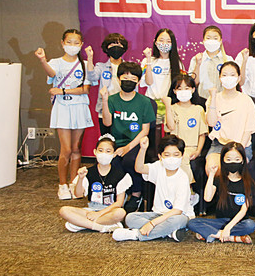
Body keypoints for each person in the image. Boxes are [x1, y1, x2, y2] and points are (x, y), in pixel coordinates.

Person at [34, 29, 94, 199]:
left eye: (76, 43)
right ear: (62, 43)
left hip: (80, 107)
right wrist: (42, 60)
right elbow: (52, 74)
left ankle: (74, 183)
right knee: (66, 149)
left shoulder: (84, 64)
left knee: (76, 148)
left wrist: (63, 91)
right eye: (69, 42)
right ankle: (62, 185)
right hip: (62, 108)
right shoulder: (56, 62)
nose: (72, 46)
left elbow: (86, 89)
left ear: (81, 44)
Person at [112, 135, 195, 242]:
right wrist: (143, 149)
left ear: (182, 156)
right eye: (167, 155)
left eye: (176, 155)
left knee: (178, 221)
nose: (171, 158)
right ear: (160, 156)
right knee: (130, 218)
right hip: (158, 214)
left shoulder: (183, 177)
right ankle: (168, 232)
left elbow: (177, 211)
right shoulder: (158, 167)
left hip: (178, 215)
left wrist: (152, 224)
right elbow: (139, 168)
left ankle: (136, 234)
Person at [101, 61, 156, 212]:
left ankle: (136, 194)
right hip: (116, 142)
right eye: (125, 78)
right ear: (118, 79)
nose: (128, 82)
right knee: (112, 161)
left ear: (138, 81)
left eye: (133, 79)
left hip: (135, 142)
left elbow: (145, 130)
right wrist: (104, 100)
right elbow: (107, 122)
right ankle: (121, 194)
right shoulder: (112, 100)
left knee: (130, 161)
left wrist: (127, 147)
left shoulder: (144, 102)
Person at [187, 142, 255, 243]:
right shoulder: (219, 179)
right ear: (223, 160)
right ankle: (231, 237)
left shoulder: (247, 182)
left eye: (237, 159)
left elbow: (243, 210)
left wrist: (228, 228)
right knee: (192, 223)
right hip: (220, 221)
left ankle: (214, 234)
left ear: (243, 161)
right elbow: (207, 198)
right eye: (228, 159)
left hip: (238, 222)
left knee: (250, 225)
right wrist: (211, 175)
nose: (233, 162)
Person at [58, 135, 130, 233]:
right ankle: (101, 227)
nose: (104, 154)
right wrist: (81, 178)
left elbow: (119, 203)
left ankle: (82, 224)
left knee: (120, 213)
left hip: (109, 211)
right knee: (64, 210)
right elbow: (78, 195)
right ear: (95, 152)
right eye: (100, 150)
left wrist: (98, 214)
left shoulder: (121, 175)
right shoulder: (88, 172)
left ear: (113, 154)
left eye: (108, 151)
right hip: (91, 210)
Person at [205, 61, 255, 180]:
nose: (228, 78)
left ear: (238, 78)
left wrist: (238, 149)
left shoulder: (246, 100)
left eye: (232, 75)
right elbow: (211, 123)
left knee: (234, 169)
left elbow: (249, 129)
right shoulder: (213, 98)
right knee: (212, 169)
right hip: (219, 144)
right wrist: (213, 97)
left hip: (241, 145)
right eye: (224, 75)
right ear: (220, 77)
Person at [162, 74, 208, 185]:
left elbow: (202, 134)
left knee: (183, 159)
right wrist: (168, 106)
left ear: (193, 90)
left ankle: (188, 188)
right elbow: (171, 127)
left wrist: (198, 151)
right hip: (174, 146)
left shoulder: (198, 109)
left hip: (191, 147)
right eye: (179, 89)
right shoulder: (172, 108)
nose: (183, 92)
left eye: (186, 88)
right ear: (174, 91)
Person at [87, 32, 128, 135]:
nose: (116, 48)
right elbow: (92, 77)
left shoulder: (129, 67)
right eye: (112, 45)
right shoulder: (101, 66)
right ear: (107, 48)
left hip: (124, 110)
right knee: (106, 138)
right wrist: (90, 58)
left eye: (119, 45)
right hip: (105, 108)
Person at [140, 28, 184, 123]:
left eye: (168, 41)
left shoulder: (177, 63)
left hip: (170, 104)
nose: (164, 44)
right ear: (155, 42)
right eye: (161, 40)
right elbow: (149, 82)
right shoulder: (147, 61)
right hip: (151, 103)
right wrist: (148, 60)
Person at [188, 25, 233, 99]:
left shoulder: (228, 59)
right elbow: (193, 83)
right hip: (202, 99)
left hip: (223, 99)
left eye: (215, 38)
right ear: (203, 41)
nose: (212, 41)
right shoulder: (196, 59)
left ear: (220, 41)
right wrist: (198, 64)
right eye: (208, 38)